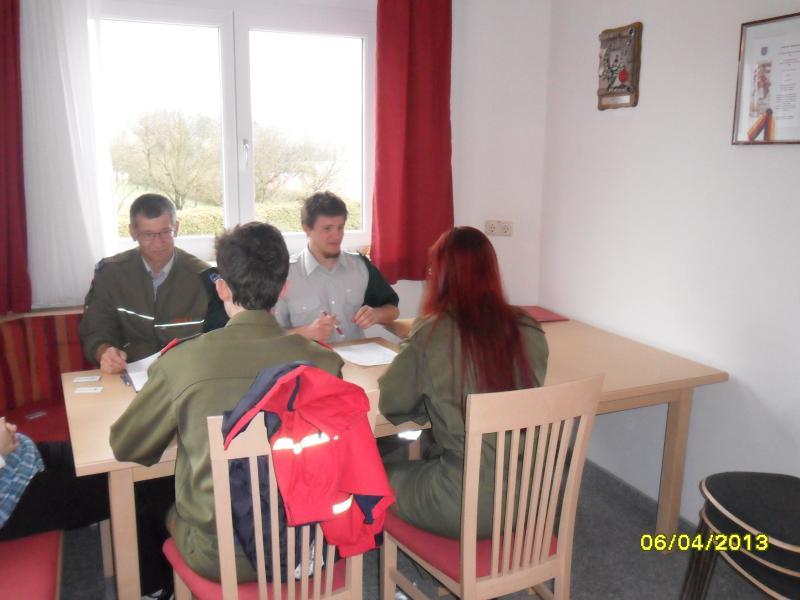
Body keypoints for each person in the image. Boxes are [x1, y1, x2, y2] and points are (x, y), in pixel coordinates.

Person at [110, 222, 343, 582]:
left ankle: (156, 586)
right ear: (284, 287)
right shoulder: (326, 363)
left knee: (155, 500)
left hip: (224, 556)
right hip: (312, 541)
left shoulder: (182, 361)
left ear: (221, 287)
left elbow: (128, 446)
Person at [378, 226, 549, 539]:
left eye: (431, 270)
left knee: (371, 477)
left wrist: (427, 406)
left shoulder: (432, 333)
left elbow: (392, 405)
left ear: (442, 277)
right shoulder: (528, 327)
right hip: (533, 497)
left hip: (465, 503)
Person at [79, 193, 227, 374]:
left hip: (188, 375)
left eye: (165, 232)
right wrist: (105, 352)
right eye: (148, 235)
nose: (158, 243)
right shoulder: (110, 275)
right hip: (128, 373)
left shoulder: (204, 277)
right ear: (133, 232)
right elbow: (96, 331)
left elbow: (219, 338)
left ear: (176, 228)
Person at [274, 191, 400, 342]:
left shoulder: (360, 266)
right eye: (327, 228)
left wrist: (377, 314)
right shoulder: (284, 274)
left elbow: (393, 310)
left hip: (358, 355)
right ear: (306, 229)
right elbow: (270, 336)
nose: (337, 236)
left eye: (340, 227)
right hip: (309, 356)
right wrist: (306, 332)